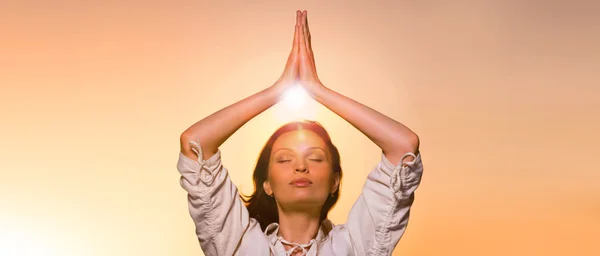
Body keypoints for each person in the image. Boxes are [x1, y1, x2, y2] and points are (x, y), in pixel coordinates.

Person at [177, 10, 424, 256]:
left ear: (334, 182)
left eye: (315, 158)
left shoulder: (354, 246)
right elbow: (194, 143)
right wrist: (277, 90)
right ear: (267, 185)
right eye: (284, 159)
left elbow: (403, 147)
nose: (301, 167)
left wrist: (317, 89)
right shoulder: (239, 245)